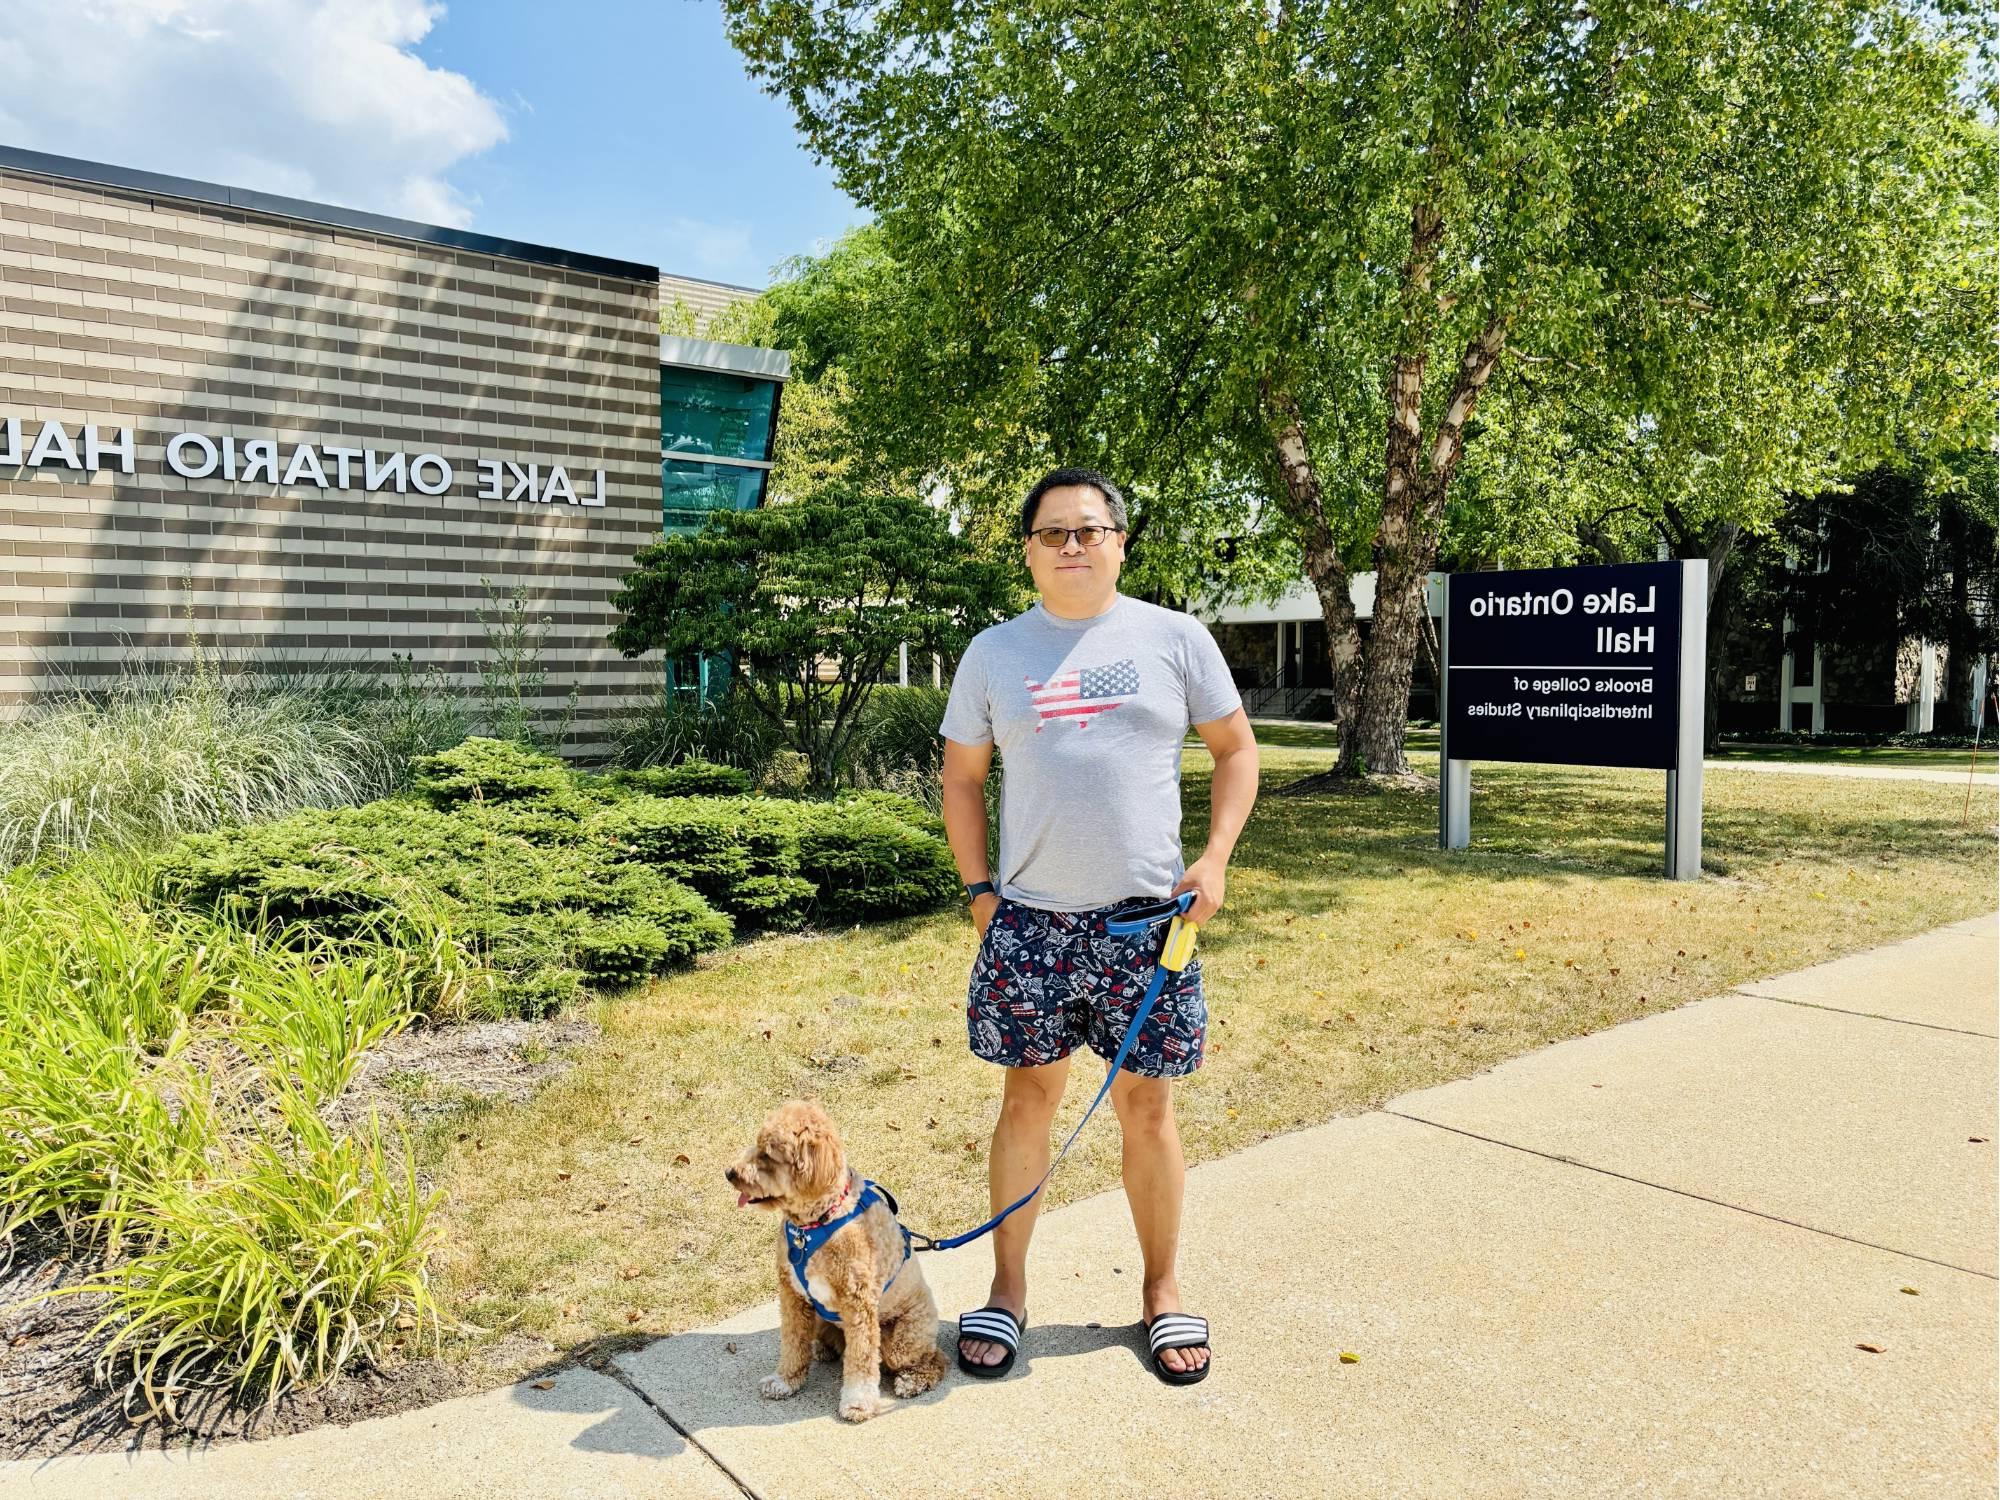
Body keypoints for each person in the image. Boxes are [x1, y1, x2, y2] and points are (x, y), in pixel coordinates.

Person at [937, 466, 1260, 1385]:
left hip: (1148, 929)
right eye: (1053, 533)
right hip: (1031, 926)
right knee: (1026, 1102)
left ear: (1120, 540)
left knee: (1147, 1108)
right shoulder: (995, 653)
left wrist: (1216, 859)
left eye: (1089, 530)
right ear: (1030, 552)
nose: (1072, 545)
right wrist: (979, 892)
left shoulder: (1176, 638)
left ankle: (1162, 1291)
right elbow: (963, 779)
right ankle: (1006, 1291)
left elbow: (1237, 752)